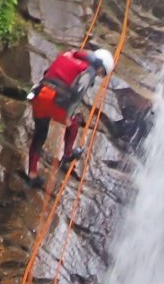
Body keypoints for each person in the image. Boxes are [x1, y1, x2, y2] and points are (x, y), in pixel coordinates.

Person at [26, 46, 114, 184]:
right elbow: (76, 92)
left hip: (39, 94)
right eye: (102, 72)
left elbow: (47, 72)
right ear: (100, 66)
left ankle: (32, 175)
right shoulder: (89, 71)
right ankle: (67, 154)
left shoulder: (69, 54)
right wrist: (67, 113)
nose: (99, 75)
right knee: (74, 122)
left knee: (40, 135)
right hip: (54, 100)